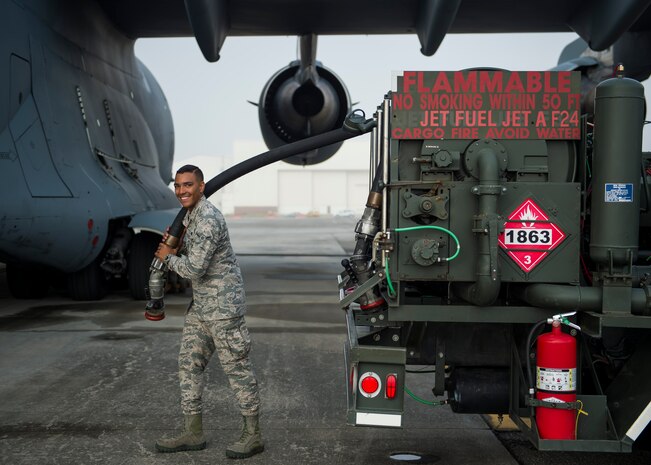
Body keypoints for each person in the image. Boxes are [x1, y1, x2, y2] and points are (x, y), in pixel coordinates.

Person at [153, 164, 263, 459]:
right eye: (177, 186)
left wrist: (168, 257)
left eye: (187, 185)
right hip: (202, 307)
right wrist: (177, 244)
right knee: (188, 366)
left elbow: (195, 268)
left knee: (237, 371)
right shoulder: (192, 216)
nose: (181, 191)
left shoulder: (208, 218)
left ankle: (253, 436)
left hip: (223, 308)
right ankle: (193, 432)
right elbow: (195, 257)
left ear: (201, 187)